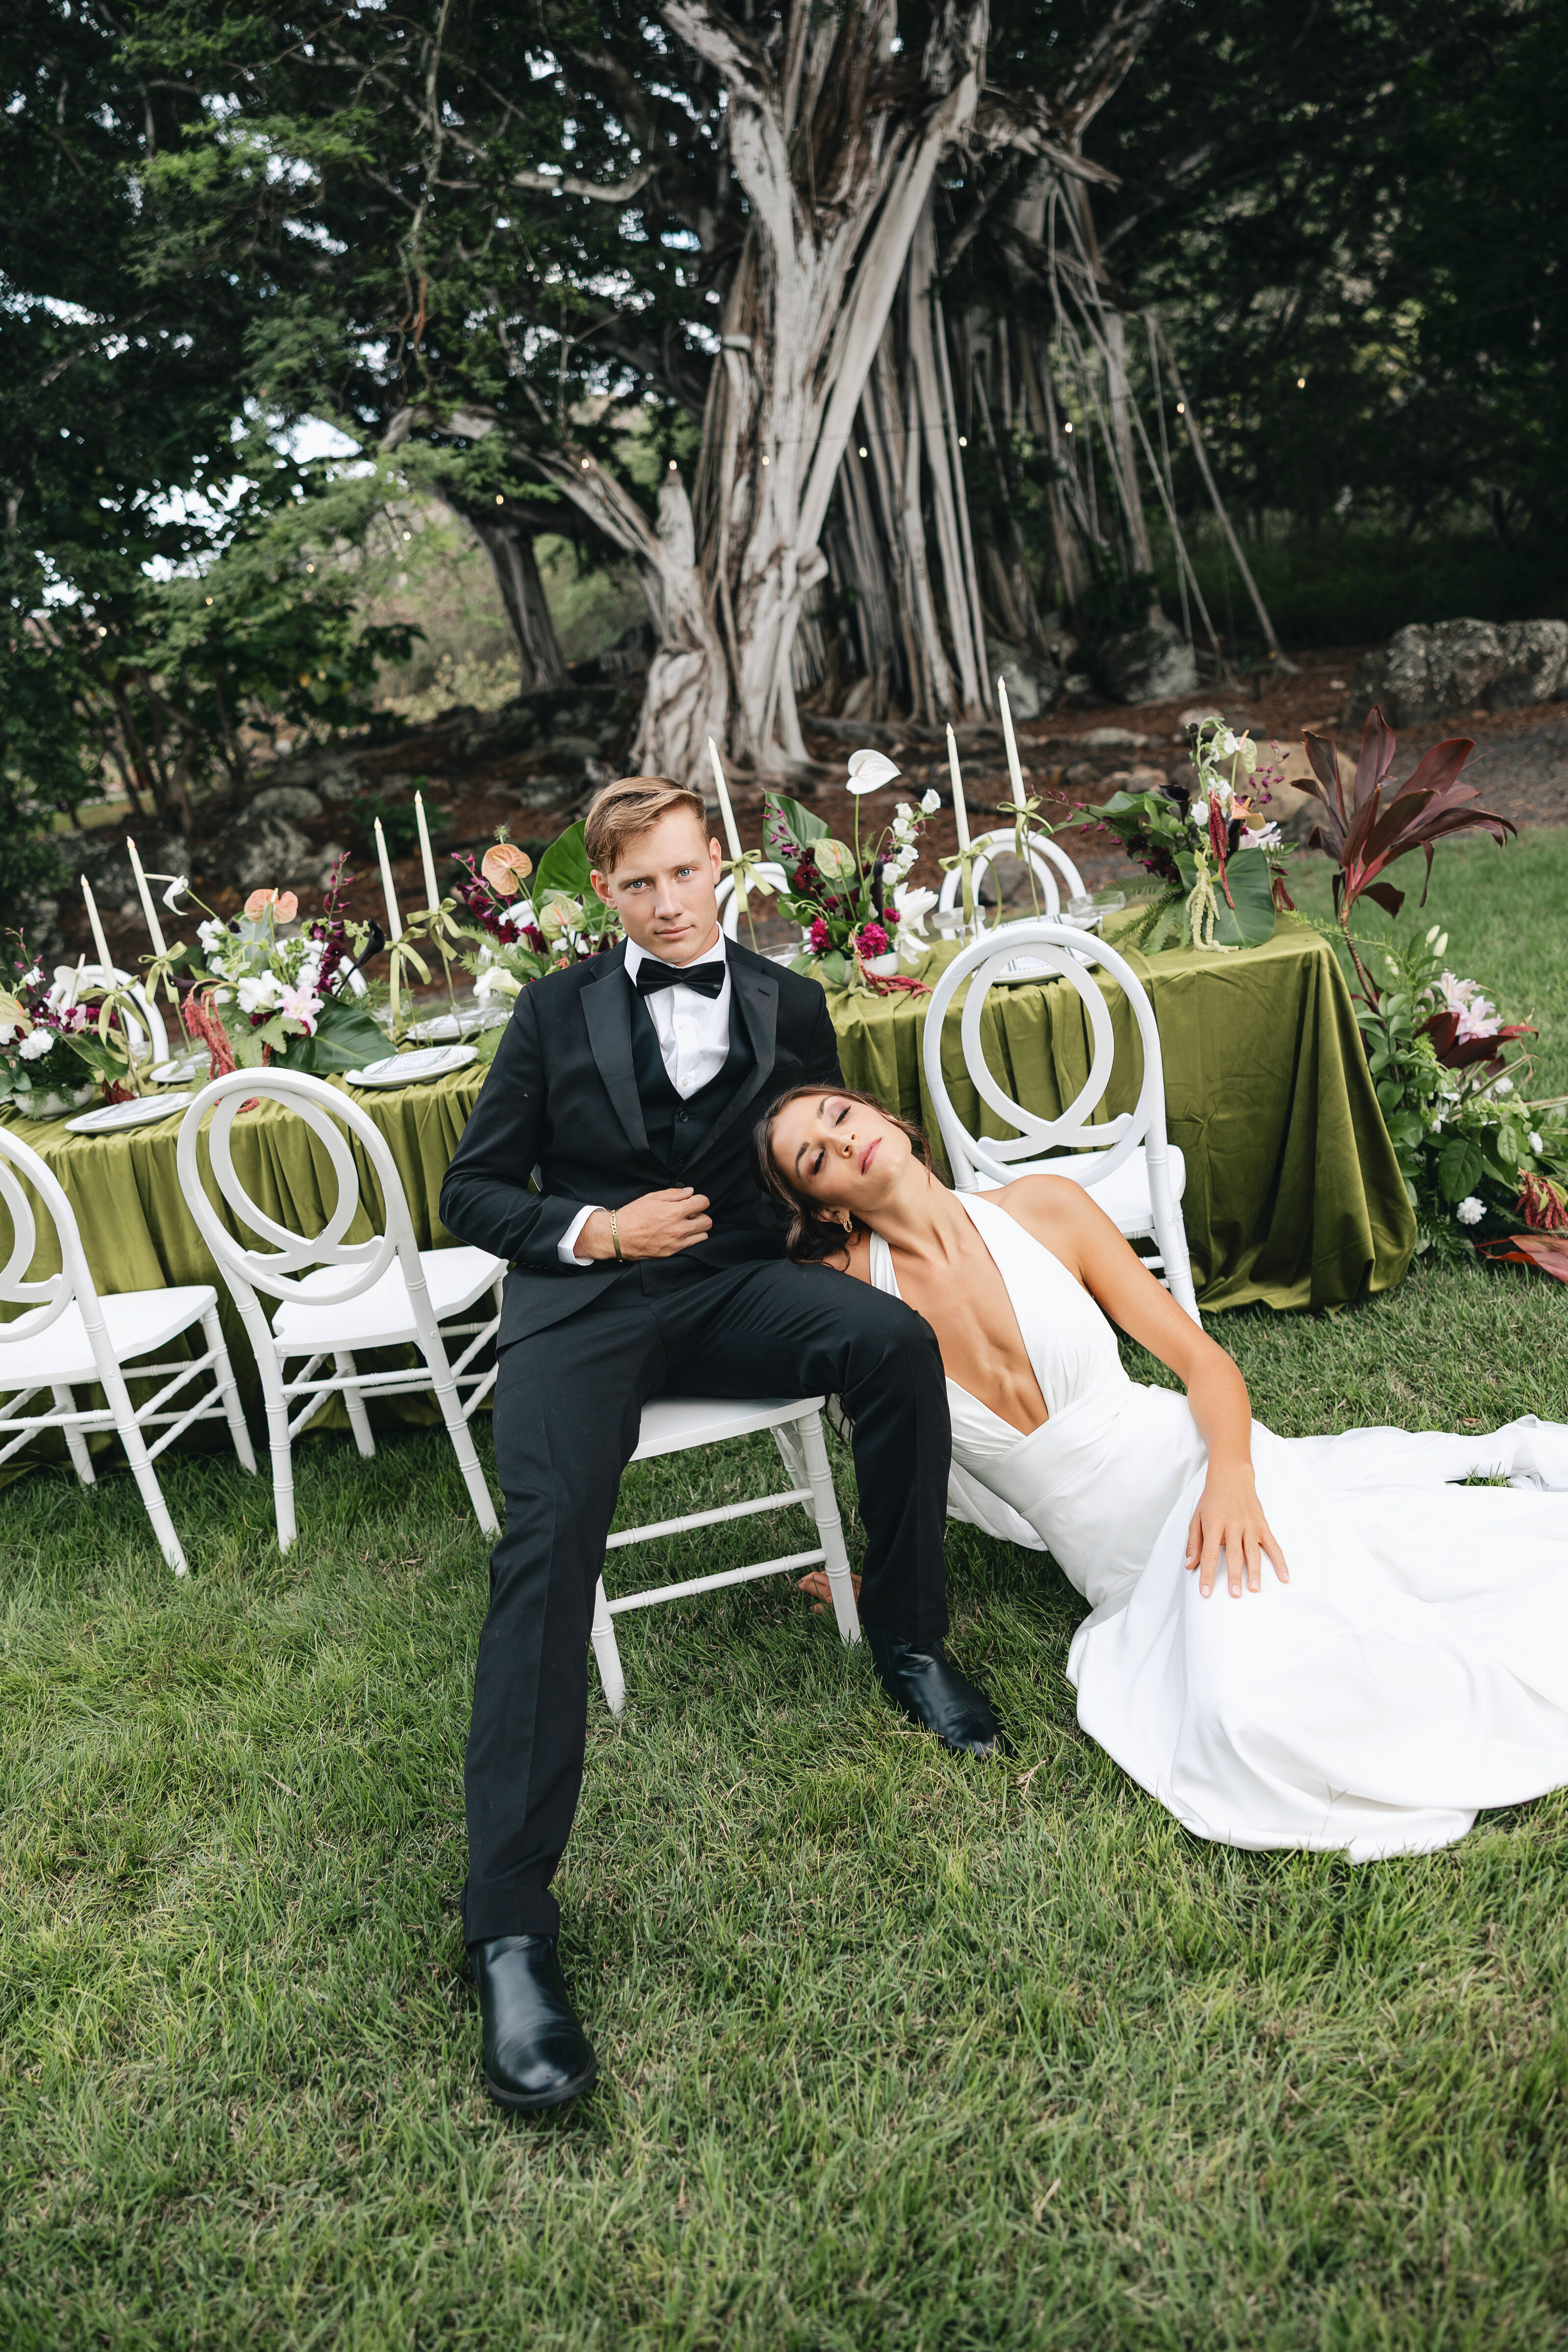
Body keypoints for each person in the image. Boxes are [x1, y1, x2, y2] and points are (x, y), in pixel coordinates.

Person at [439, 780, 1000, 2115]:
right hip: (587, 1305)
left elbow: (820, 1162)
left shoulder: (791, 1002)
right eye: (641, 885)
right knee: (548, 1543)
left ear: (722, 869)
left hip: (737, 1291)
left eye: (689, 875)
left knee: (891, 1347)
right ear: (609, 896)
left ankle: (911, 1640)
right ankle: (510, 1929)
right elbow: (470, 1192)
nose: (671, 904)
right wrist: (598, 1233)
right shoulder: (551, 1012)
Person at [758, 1083, 1568, 1862]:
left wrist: (1234, 1478)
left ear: (887, 1117)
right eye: (816, 1158)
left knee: (1315, 1661)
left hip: (1205, 1471)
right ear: (826, 1207)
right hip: (1116, 1566)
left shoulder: (1044, 1210)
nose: (843, 1140)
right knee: (1237, 1715)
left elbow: (1202, 1364)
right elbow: (897, 1458)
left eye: (840, 1116)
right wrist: (890, 1586)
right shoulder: (849, 1301)